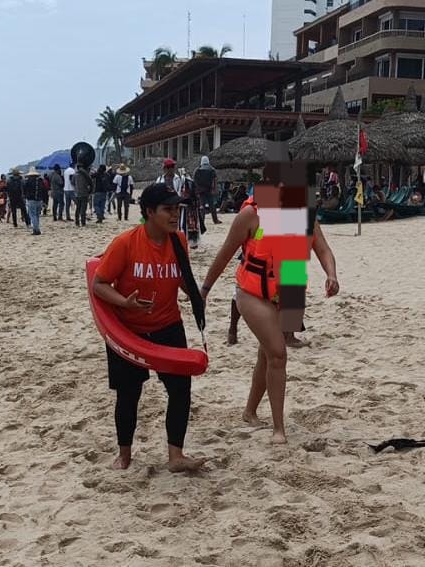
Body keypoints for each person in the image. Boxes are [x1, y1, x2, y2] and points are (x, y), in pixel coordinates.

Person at [199, 190, 340, 444]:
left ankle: (249, 412)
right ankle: (278, 430)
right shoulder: (250, 216)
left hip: (287, 291)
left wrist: (332, 275)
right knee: (278, 353)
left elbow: (324, 250)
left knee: (267, 353)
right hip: (251, 293)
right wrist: (205, 290)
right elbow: (225, 254)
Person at [93, 182, 206, 473]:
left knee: (180, 390)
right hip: (129, 330)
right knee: (129, 394)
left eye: (177, 209)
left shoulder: (178, 241)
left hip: (169, 325)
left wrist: (196, 293)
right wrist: (124, 303)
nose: (174, 215)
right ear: (148, 212)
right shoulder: (126, 243)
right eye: (168, 209)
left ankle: (175, 456)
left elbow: (181, 279)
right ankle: (124, 455)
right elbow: (99, 284)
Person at [193, 156, 221, 229]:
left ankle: (202, 221)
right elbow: (214, 180)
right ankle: (215, 220)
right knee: (212, 206)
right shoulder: (212, 169)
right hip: (209, 190)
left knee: (202, 206)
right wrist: (214, 189)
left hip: (201, 190)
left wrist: (196, 190)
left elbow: (194, 181)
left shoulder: (197, 170)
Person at [23, 168, 45, 235]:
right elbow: (44, 191)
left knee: (32, 215)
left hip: (31, 200)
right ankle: (36, 228)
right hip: (39, 200)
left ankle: (36, 230)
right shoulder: (40, 181)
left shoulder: (27, 182)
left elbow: (24, 190)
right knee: (37, 215)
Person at [74, 161, 93, 227]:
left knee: (78, 208)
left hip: (77, 193)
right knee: (83, 209)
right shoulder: (85, 174)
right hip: (84, 193)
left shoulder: (75, 174)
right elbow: (90, 182)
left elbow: (72, 182)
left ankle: (77, 222)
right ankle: (83, 222)